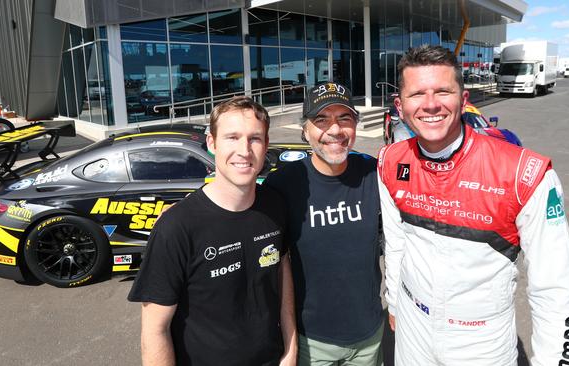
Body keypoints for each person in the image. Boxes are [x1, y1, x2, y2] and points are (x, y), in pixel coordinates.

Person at [378, 45, 569, 365]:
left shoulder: (523, 173)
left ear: (463, 98)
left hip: (480, 339)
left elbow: (556, 291)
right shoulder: (389, 161)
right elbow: (396, 242)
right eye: (417, 94)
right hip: (413, 327)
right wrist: (394, 304)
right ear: (400, 106)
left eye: (443, 91)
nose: (430, 104)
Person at [127, 96, 297, 366]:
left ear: (266, 146)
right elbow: (154, 330)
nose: (244, 150)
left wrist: (290, 350)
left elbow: (281, 271)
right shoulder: (177, 226)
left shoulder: (275, 205)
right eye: (232, 137)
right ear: (211, 143)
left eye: (254, 138)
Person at [263, 82, 384, 366]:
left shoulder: (374, 174)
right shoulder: (283, 184)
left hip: (369, 336)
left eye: (344, 118)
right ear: (305, 130)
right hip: (312, 341)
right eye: (321, 119)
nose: (334, 130)